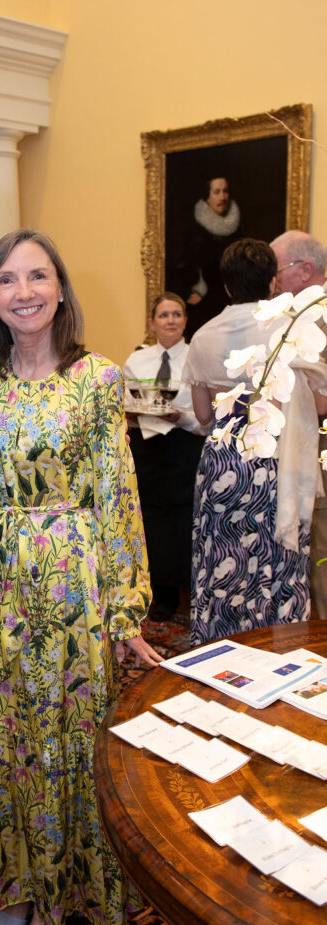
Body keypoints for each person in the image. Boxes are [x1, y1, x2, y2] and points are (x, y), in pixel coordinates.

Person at [0, 229, 160, 925]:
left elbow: (117, 493)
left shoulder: (97, 379)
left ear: (60, 288)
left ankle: (60, 898)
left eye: (37, 276)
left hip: (72, 582)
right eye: (7, 280)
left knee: (61, 739)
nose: (24, 292)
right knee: (0, 737)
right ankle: (14, 880)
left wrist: (122, 604)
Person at [183, 238, 327, 644]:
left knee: (222, 560)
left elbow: (204, 415)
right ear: (272, 283)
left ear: (226, 287)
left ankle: (217, 648)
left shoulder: (204, 336)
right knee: (275, 559)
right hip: (274, 462)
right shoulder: (285, 330)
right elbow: (319, 405)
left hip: (224, 462)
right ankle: (279, 646)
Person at [123, 293, 206, 620]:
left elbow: (205, 415)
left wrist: (180, 416)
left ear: (185, 321)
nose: (170, 320)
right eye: (163, 315)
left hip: (184, 444)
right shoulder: (136, 360)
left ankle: (193, 595)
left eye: (176, 314)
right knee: (154, 523)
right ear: (152, 322)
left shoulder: (197, 357)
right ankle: (163, 597)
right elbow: (127, 404)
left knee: (186, 521)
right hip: (148, 447)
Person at [270, 231, 327, 619]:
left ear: (305, 270)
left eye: (278, 271)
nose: (272, 282)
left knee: (320, 564)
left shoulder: (317, 318)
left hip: (320, 455)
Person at [173, 176, 242, 338]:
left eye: (225, 191)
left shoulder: (238, 230)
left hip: (231, 307)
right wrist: (196, 290)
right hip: (204, 310)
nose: (222, 197)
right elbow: (183, 266)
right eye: (216, 192)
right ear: (207, 198)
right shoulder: (195, 233)